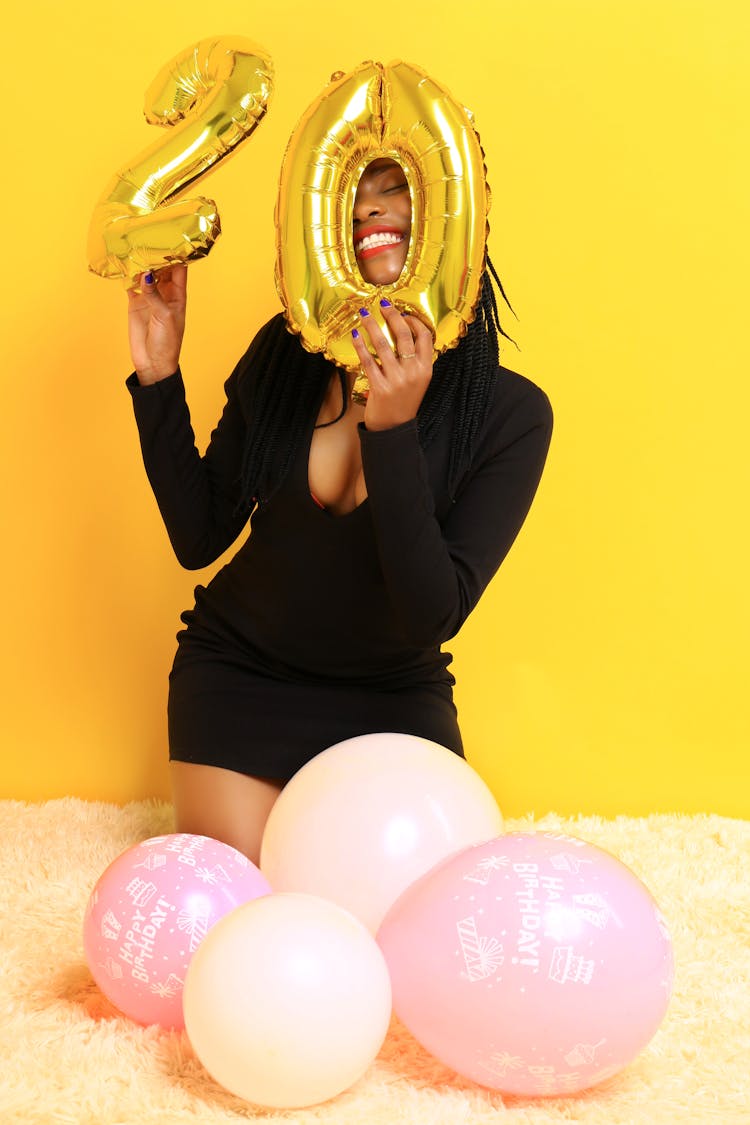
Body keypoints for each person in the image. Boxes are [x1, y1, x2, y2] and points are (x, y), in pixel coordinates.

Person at [125, 156, 553, 865]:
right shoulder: (284, 353)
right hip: (242, 678)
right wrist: (159, 374)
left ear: (456, 222)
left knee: (404, 900)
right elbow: (199, 537)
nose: (368, 215)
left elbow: (430, 613)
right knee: (257, 887)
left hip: (393, 701)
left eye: (394, 195)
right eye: (351, 205)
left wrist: (392, 432)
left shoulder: (510, 414)